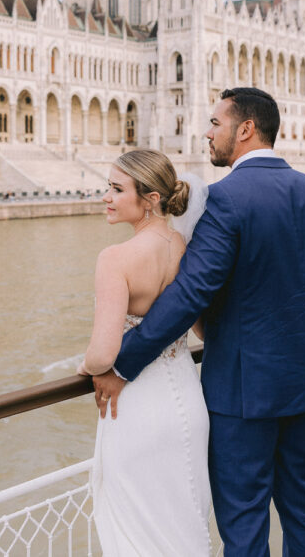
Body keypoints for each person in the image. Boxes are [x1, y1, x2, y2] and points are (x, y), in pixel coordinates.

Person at [94, 87, 305, 556]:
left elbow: (190, 294)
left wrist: (123, 363)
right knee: (303, 508)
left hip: (242, 391)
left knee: (243, 519)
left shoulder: (225, 200)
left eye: (214, 123)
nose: (207, 133)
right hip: (303, 379)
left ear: (245, 129)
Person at [78, 149, 211, 556]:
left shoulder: (115, 258)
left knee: (138, 531)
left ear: (151, 199)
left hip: (135, 407)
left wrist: (84, 365)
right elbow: (201, 328)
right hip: (187, 399)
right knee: (183, 519)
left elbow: (104, 354)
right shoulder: (184, 247)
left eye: (117, 189)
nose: (106, 197)